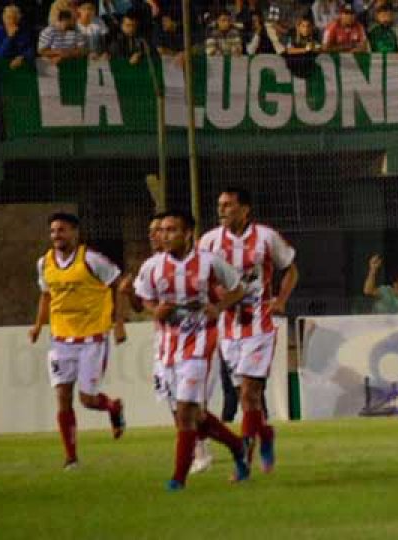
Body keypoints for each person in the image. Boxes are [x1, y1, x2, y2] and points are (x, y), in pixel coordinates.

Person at [134, 210, 251, 491]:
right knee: (192, 418)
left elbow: (239, 288)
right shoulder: (152, 267)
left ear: (188, 234)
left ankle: (178, 479)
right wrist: (154, 310)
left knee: (186, 411)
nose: (164, 235)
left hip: (199, 343)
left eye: (172, 230)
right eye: (161, 230)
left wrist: (219, 307)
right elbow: (144, 302)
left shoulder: (210, 263)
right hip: (166, 350)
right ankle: (238, 447)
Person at [198, 188, 299, 473]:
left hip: (260, 326)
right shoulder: (209, 241)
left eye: (228, 205)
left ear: (245, 210)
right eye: (219, 205)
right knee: (246, 395)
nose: (222, 210)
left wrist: (280, 300)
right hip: (228, 329)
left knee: (249, 394)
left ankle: (243, 459)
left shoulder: (266, 237)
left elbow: (291, 270)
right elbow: (200, 277)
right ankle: (265, 434)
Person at [28, 212, 127, 470]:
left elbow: (119, 284)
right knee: (62, 396)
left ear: (75, 232)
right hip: (60, 339)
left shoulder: (91, 260)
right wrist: (38, 325)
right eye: (52, 231)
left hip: (92, 338)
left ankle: (113, 407)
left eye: (61, 230)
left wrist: (118, 323)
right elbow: (46, 295)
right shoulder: (44, 263)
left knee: (87, 399)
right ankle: (71, 457)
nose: (56, 236)